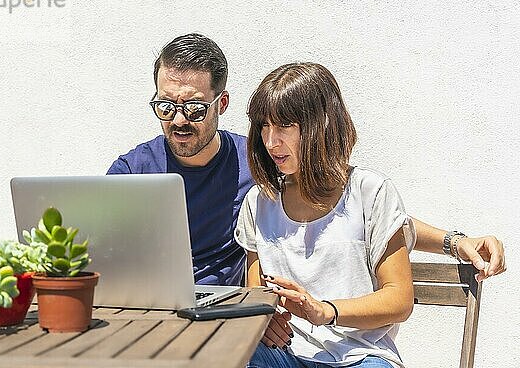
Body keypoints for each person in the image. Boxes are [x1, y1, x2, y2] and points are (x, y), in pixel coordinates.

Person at [107, 33, 505, 288]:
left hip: (225, 319)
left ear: (220, 103)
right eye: (165, 106)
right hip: (150, 314)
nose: (178, 121)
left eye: (193, 108)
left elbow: (354, 207)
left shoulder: (258, 162)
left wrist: (455, 241)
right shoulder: (132, 170)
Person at [237, 62, 418, 367]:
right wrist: (264, 318)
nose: (270, 142)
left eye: (283, 126)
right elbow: (256, 291)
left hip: (359, 356)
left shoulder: (370, 192)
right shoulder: (259, 202)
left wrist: (325, 311)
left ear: (319, 126)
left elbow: (400, 299)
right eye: (264, 126)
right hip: (284, 355)